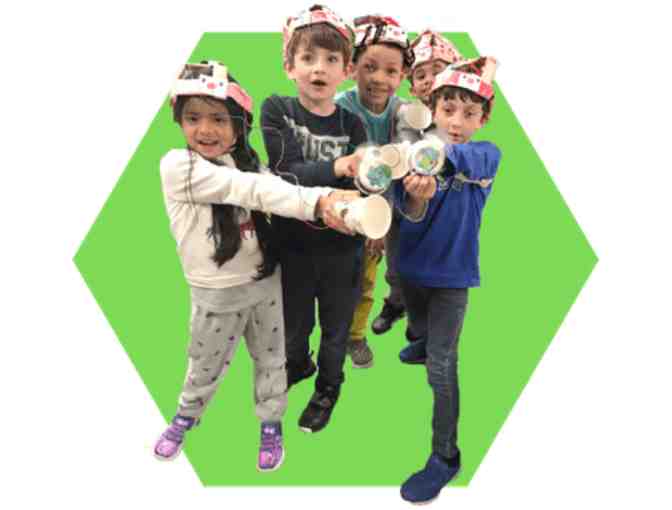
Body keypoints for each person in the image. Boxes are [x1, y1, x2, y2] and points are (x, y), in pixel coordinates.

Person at [155, 60, 354, 471]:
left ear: (239, 124)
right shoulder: (178, 166)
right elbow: (249, 190)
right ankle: (186, 415)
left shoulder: (248, 164)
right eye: (193, 118)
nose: (205, 129)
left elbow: (275, 190)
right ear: (179, 121)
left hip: (265, 285)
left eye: (218, 119)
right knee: (204, 362)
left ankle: (271, 421)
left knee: (272, 359)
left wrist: (331, 205)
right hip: (216, 293)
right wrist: (320, 201)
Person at [394, 57, 502, 503]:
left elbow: (464, 159)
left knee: (442, 366)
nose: (457, 122)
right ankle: (421, 340)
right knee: (418, 328)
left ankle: (445, 455)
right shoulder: (412, 159)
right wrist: (415, 195)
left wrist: (427, 150)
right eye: (448, 110)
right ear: (433, 109)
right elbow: (409, 215)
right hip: (410, 271)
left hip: (453, 278)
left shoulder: (485, 154)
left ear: (482, 119)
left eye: (469, 113)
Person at [260, 5, 368, 433]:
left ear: (346, 70)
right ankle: (298, 363)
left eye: (331, 59)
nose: (318, 68)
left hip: (343, 252)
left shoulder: (353, 124)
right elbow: (284, 172)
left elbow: (363, 187)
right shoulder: (278, 109)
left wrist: (370, 182)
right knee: (294, 325)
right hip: (293, 248)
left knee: (336, 330)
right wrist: (339, 167)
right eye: (307, 58)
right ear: (289, 66)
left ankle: (328, 387)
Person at [335, 13, 414, 368]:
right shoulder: (341, 106)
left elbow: (399, 165)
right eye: (370, 67)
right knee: (337, 281)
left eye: (391, 71)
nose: (379, 78)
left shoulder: (402, 111)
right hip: (345, 207)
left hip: (382, 214)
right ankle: (331, 335)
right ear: (352, 67)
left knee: (366, 281)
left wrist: (378, 226)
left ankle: (355, 336)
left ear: (402, 75)